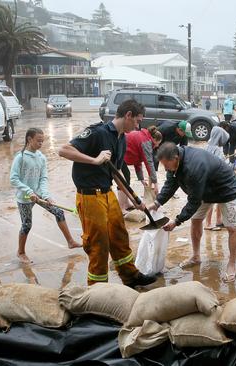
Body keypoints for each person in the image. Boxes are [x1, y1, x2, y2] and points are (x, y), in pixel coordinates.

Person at [58, 99, 156, 288]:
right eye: (137, 121)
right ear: (128, 115)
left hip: (107, 192)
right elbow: (63, 150)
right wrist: (95, 160)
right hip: (89, 196)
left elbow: (116, 174)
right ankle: (97, 289)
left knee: (119, 235)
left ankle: (130, 276)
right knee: (98, 244)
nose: (138, 126)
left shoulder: (122, 139)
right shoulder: (98, 133)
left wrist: (133, 199)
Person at [149, 142, 236, 282]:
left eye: (166, 165)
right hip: (205, 190)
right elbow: (171, 184)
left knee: (232, 227)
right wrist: (157, 203)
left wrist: (177, 221)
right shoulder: (174, 164)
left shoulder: (194, 167)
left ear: (175, 158)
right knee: (196, 220)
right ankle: (196, 256)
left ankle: (232, 264)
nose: (166, 168)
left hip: (225, 188)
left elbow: (194, 201)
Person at [10, 128, 82, 264]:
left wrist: (46, 195)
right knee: (26, 225)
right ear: (29, 139)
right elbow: (13, 179)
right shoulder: (20, 157)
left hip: (39, 194)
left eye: (42, 141)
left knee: (59, 212)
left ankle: (71, 242)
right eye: (38, 141)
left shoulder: (41, 157)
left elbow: (43, 178)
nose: (40, 144)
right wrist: (28, 191)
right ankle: (21, 252)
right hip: (25, 197)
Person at [117, 125, 163, 212]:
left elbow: (137, 161)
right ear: (154, 139)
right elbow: (149, 163)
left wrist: (141, 179)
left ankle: (126, 203)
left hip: (122, 155)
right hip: (119, 154)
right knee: (124, 179)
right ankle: (121, 207)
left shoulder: (145, 138)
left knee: (127, 177)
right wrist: (155, 183)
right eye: (158, 143)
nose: (157, 146)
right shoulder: (146, 142)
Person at [203, 124, 230, 230]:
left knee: (218, 200)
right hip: (214, 178)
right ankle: (208, 223)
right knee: (212, 201)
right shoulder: (217, 149)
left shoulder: (208, 146)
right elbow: (221, 164)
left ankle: (218, 220)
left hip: (209, 177)